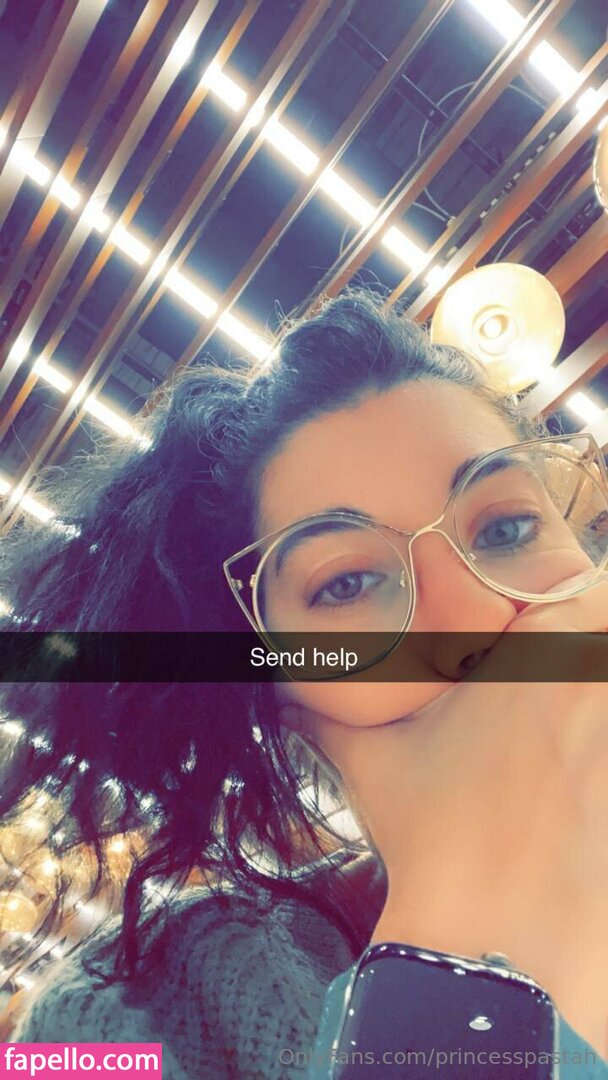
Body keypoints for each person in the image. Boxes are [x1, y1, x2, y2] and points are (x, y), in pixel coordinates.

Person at [1, 289, 606, 1076]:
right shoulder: (116, 1023)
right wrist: (459, 932)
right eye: (348, 584)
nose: (479, 619)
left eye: (506, 527)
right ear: (277, 689)